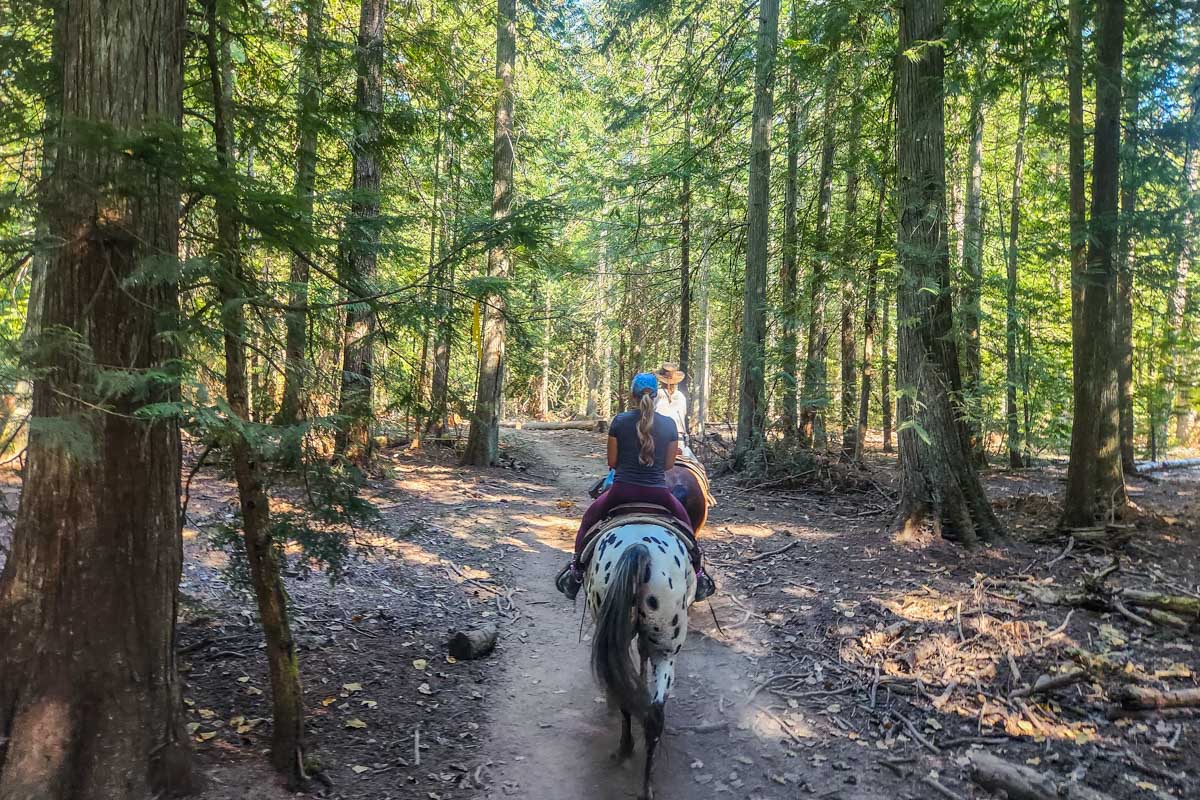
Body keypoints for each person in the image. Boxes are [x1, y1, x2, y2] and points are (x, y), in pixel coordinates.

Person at [556, 373, 716, 601]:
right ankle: (698, 577)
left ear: (632, 395)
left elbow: (612, 462)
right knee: (688, 531)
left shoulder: (620, 421)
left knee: (588, 520)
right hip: (659, 494)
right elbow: (669, 465)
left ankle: (575, 573)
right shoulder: (669, 424)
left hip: (621, 492)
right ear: (656, 396)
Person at [654, 363, 693, 458]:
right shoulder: (681, 397)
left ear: (661, 380)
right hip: (678, 439)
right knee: (694, 463)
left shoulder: (655, 394)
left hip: (657, 438)